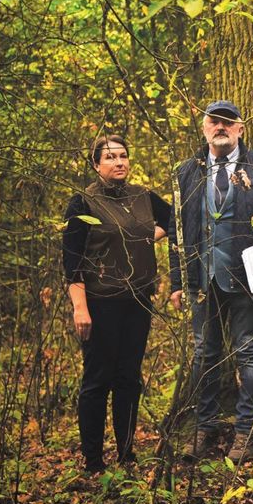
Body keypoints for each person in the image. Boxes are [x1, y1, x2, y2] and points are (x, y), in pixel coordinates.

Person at [169, 100, 253, 463]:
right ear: (204, 128)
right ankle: (203, 427)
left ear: (240, 129)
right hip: (202, 280)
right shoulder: (186, 171)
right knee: (203, 355)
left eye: (228, 122)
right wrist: (179, 280)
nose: (220, 127)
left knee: (248, 353)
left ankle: (244, 430)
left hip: (247, 278)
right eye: (213, 122)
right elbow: (179, 232)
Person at [62, 134, 172, 474]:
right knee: (97, 380)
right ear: (96, 165)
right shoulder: (82, 203)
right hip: (100, 302)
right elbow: (72, 262)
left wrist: (144, 238)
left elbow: (172, 221)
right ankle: (93, 462)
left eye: (123, 155)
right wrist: (80, 307)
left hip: (138, 300)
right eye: (109, 157)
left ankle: (126, 454)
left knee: (129, 378)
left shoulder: (142, 196)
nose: (119, 162)